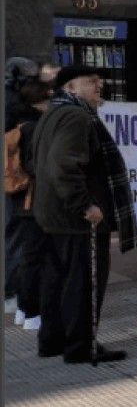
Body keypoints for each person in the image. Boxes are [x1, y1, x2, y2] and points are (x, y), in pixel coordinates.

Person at [30, 66, 137, 364]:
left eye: (99, 81)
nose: (98, 86)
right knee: (83, 283)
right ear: (71, 88)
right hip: (76, 218)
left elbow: (37, 161)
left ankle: (53, 341)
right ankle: (81, 346)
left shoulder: (53, 113)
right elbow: (64, 165)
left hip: (53, 214)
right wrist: (85, 205)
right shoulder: (77, 117)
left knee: (57, 281)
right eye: (91, 82)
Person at [5, 79, 52, 329]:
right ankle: (32, 312)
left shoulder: (18, 125)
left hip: (20, 199)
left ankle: (24, 310)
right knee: (36, 258)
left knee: (29, 256)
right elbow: (36, 166)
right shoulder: (35, 128)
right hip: (33, 200)